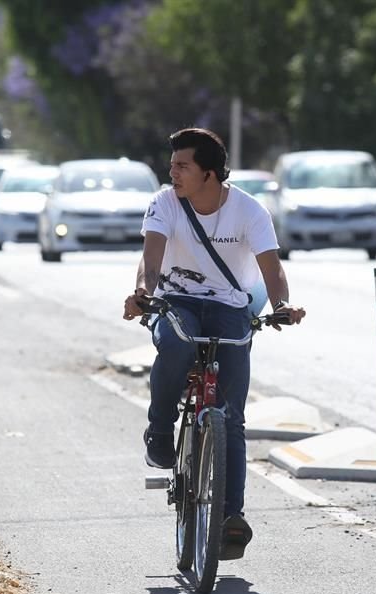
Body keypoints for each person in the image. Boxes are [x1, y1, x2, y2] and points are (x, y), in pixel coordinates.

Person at [122, 128, 305, 558]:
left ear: (209, 173)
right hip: (175, 300)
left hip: (228, 305)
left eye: (182, 166)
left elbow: (271, 271)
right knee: (178, 344)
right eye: (172, 165)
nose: (172, 173)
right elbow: (150, 261)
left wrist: (282, 304)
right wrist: (144, 295)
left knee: (232, 418)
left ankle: (229, 519)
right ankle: (160, 428)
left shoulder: (249, 211)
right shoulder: (165, 203)